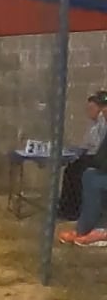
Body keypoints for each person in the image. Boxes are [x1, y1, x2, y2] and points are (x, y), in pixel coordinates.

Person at [61, 92, 107, 221]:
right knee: (71, 169)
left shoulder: (102, 124)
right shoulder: (93, 125)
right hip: (92, 157)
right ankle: (67, 207)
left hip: (98, 159)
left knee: (78, 172)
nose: (89, 111)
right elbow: (86, 145)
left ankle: (74, 210)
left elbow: (97, 147)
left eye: (92, 108)